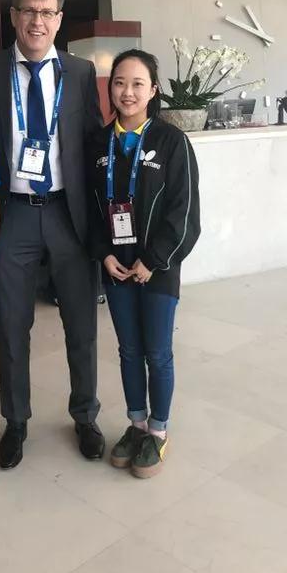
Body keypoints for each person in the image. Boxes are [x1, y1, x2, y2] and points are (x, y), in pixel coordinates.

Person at [0, 0, 105, 468]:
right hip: (13, 217)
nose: (37, 21)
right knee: (12, 326)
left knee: (81, 324)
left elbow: (93, 144)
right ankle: (16, 421)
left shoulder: (81, 73)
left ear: (59, 18)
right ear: (13, 15)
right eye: (29, 11)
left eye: (47, 12)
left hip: (69, 215)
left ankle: (85, 415)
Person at [88, 49, 200, 478]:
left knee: (157, 351)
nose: (127, 92)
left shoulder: (172, 142)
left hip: (158, 269)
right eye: (119, 82)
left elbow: (184, 213)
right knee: (129, 350)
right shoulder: (98, 143)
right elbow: (90, 209)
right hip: (117, 267)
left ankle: (158, 431)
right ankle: (136, 425)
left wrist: (153, 261)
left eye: (138, 84)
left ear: (153, 90)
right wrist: (104, 253)